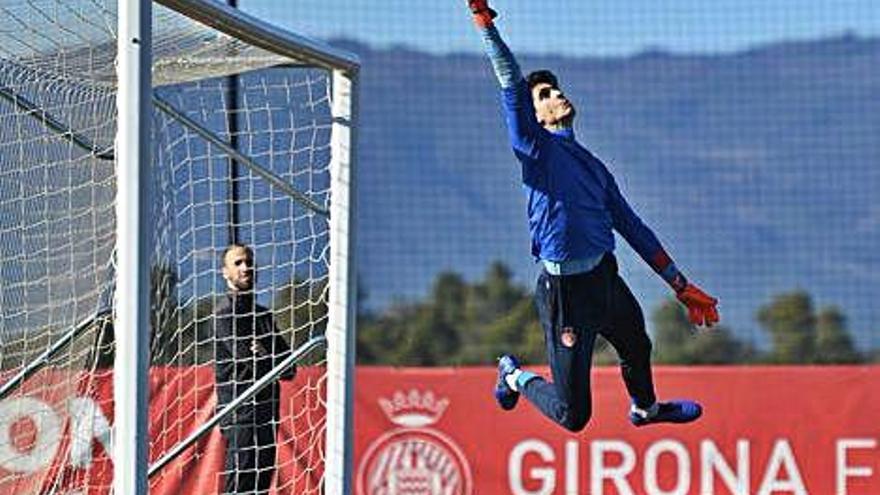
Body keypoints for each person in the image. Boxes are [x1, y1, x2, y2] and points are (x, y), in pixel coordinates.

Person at [466, 1, 720, 431]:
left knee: (637, 343)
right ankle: (512, 375)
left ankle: (645, 409)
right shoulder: (536, 149)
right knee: (573, 416)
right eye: (543, 95)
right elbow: (510, 80)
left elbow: (635, 228)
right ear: (535, 115)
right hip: (565, 293)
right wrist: (486, 28)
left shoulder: (595, 168)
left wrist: (681, 285)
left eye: (555, 89)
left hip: (604, 277)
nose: (555, 94)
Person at [214, 244, 295, 494]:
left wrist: (264, 353)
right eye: (237, 263)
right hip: (241, 417)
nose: (245, 267)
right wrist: (269, 358)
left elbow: (290, 369)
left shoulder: (264, 316)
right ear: (225, 272)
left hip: (267, 415)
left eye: (248, 262)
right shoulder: (225, 315)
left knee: (260, 489)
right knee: (239, 488)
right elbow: (249, 360)